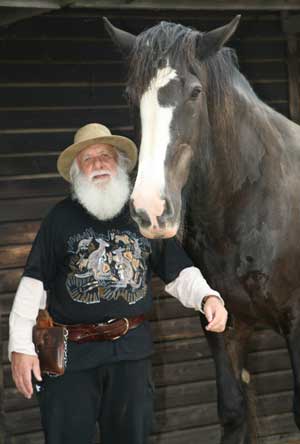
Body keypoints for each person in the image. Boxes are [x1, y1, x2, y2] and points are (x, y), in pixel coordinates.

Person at [8, 123, 227, 444]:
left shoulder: (143, 214)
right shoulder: (59, 219)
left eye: (105, 156)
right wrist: (20, 347)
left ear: (120, 163)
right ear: (76, 171)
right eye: (88, 158)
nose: (98, 164)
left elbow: (177, 270)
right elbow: (32, 284)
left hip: (130, 353)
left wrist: (208, 297)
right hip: (71, 358)